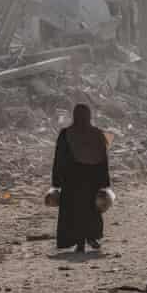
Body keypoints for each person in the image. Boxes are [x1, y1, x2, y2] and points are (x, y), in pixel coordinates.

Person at [51, 104, 111, 253]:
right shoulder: (97, 134)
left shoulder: (66, 134)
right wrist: (105, 182)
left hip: (72, 179)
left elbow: (59, 158)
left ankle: (79, 242)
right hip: (92, 179)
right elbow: (103, 159)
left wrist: (56, 181)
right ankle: (91, 236)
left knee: (74, 210)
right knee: (92, 209)